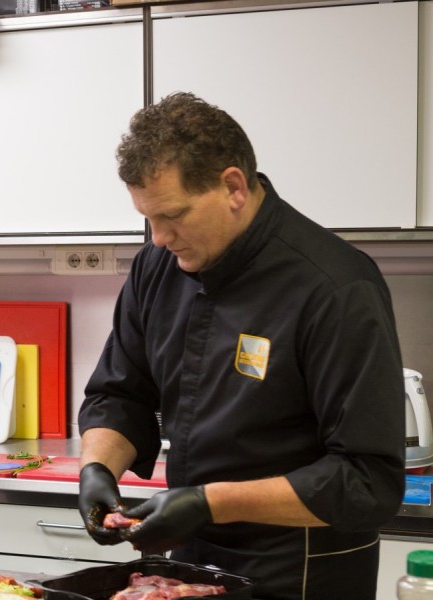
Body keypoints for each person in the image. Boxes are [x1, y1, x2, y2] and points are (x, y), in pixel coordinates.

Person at [77, 92, 405, 599]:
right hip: (189, 553)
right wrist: (97, 469)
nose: (159, 237)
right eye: (148, 218)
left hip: (303, 567)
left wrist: (210, 502)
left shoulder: (335, 287)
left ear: (232, 186)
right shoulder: (156, 268)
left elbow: (365, 481)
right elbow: (120, 394)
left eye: (174, 215)